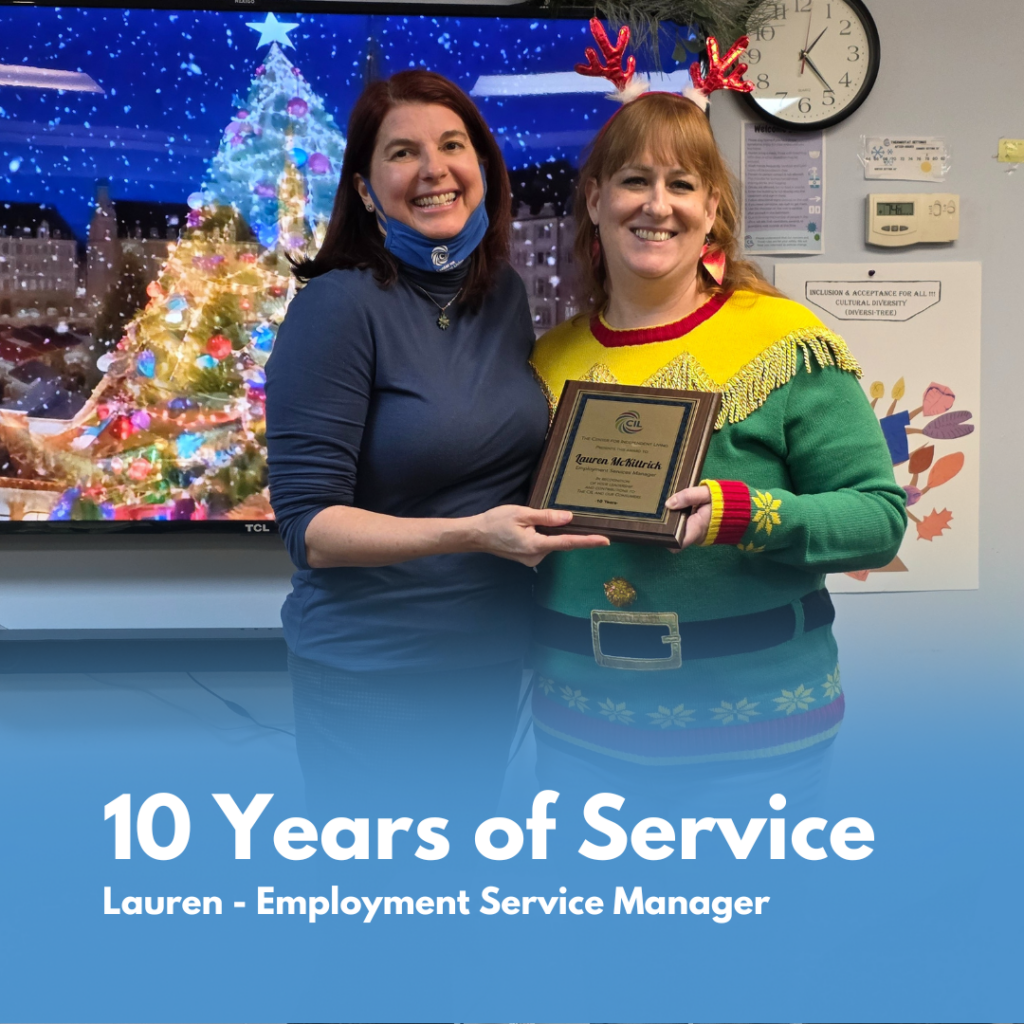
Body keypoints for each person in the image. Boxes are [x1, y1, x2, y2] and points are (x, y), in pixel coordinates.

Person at [529, 89, 907, 807]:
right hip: (579, 730)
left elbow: (878, 519)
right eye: (635, 180)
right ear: (595, 199)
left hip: (755, 734)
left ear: (711, 210)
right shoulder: (547, 359)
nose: (657, 205)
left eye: (681, 185)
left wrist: (744, 514)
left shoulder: (784, 342)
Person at [265, 70, 607, 815]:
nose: (433, 169)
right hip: (373, 672)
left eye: (453, 145)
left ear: (482, 166)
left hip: (490, 656)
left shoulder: (502, 293)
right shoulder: (336, 307)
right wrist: (472, 534)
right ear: (364, 189)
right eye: (402, 153)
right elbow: (310, 530)